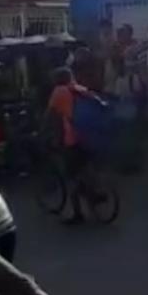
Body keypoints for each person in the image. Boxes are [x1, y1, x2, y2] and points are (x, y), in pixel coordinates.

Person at [44, 67, 101, 224]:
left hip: (72, 138)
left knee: (71, 176)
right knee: (86, 166)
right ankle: (94, 190)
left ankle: (78, 214)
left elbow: (49, 114)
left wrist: (42, 130)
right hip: (89, 135)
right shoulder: (78, 88)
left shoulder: (58, 91)